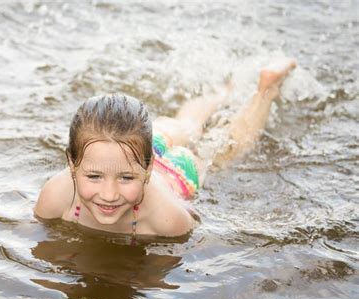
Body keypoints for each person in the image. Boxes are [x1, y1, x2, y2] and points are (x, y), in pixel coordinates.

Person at [34, 58, 296, 237]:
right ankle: (223, 91)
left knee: (223, 151)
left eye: (125, 179)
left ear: (148, 168)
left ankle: (265, 90)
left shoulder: (167, 218)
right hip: (132, 151)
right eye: (93, 176)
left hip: (175, 173)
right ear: (72, 163)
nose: (110, 194)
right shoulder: (55, 196)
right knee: (187, 124)